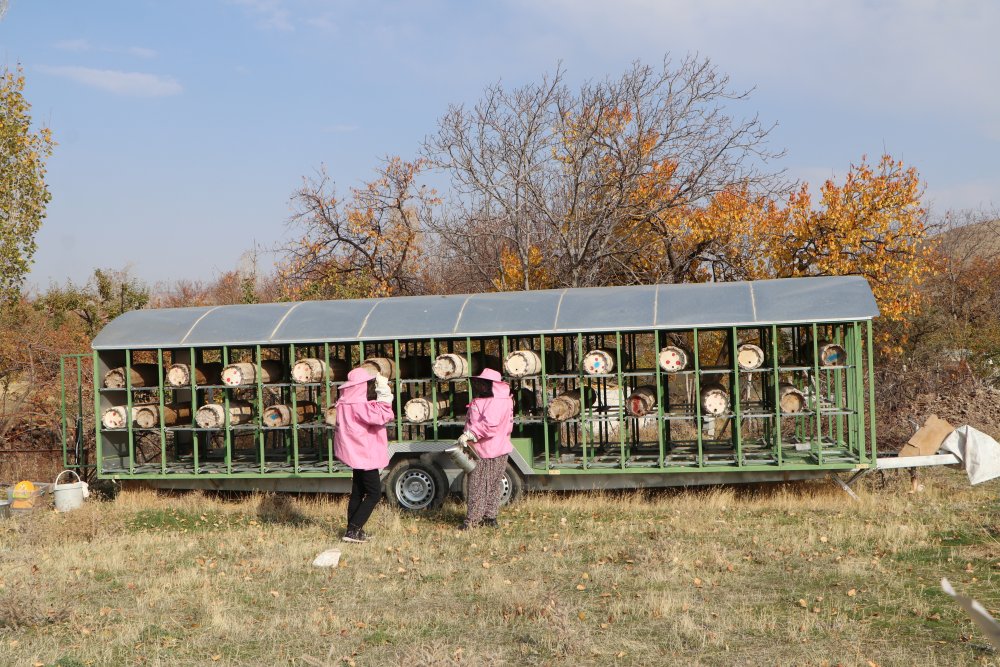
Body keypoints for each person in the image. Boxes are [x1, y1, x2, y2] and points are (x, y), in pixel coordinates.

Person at [334, 367, 394, 543]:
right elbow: (382, 416)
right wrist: (384, 392)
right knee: (374, 494)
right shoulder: (358, 406)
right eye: (367, 384)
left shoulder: (344, 404)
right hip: (365, 454)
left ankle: (353, 530)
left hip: (356, 455)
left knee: (358, 493)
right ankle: (353, 530)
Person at [459, 367, 514, 530]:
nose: (479, 386)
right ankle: (489, 518)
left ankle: (473, 521)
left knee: (477, 485)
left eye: (483, 383)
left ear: (491, 384)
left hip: (485, 450)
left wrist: (470, 434)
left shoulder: (496, 401)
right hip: (498, 449)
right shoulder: (502, 398)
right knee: (492, 485)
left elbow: (490, 426)